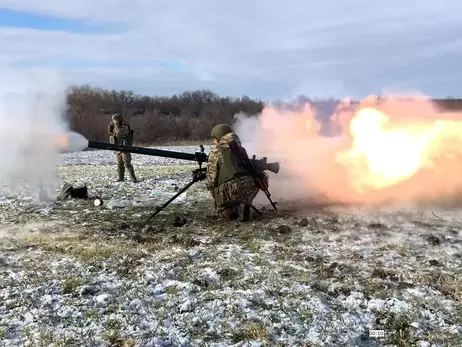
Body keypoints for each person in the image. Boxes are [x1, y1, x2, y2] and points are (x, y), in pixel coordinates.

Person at [205, 124, 260, 222]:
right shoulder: (241, 149)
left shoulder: (216, 152)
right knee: (236, 191)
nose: (213, 142)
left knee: (217, 190)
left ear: (220, 138)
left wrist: (217, 201)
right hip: (251, 188)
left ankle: (226, 211)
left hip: (232, 189)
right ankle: (243, 205)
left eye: (214, 139)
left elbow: (211, 179)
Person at [108, 113, 138, 183]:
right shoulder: (116, 127)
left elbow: (119, 133)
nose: (113, 122)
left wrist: (115, 126)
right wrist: (110, 126)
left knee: (127, 163)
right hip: (118, 148)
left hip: (124, 148)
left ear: (118, 120)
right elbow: (110, 132)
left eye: (114, 120)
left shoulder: (124, 126)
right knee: (120, 165)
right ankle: (121, 178)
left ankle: (133, 178)